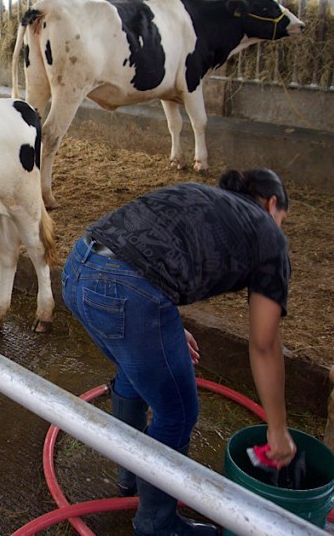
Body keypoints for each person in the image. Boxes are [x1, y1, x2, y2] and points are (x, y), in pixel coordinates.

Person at [61, 169, 297, 536]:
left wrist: (164, 325)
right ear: (272, 205)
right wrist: (278, 430)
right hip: (127, 291)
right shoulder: (270, 236)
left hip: (78, 267)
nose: (281, 227)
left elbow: (150, 252)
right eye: (283, 218)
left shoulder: (197, 194)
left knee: (132, 372)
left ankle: (132, 478)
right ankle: (157, 524)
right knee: (178, 411)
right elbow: (264, 344)